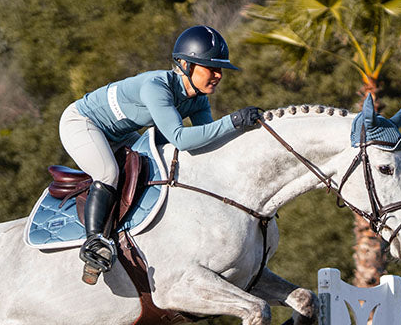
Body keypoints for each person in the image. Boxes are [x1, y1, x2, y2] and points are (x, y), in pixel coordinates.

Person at [60, 25, 263, 283]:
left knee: (156, 166)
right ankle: (94, 242)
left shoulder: (198, 98)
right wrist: (233, 121)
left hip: (120, 134)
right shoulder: (156, 87)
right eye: (211, 68)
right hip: (82, 123)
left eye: (220, 69)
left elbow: (203, 141)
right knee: (108, 172)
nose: (218, 75)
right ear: (186, 65)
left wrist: (243, 135)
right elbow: (181, 138)